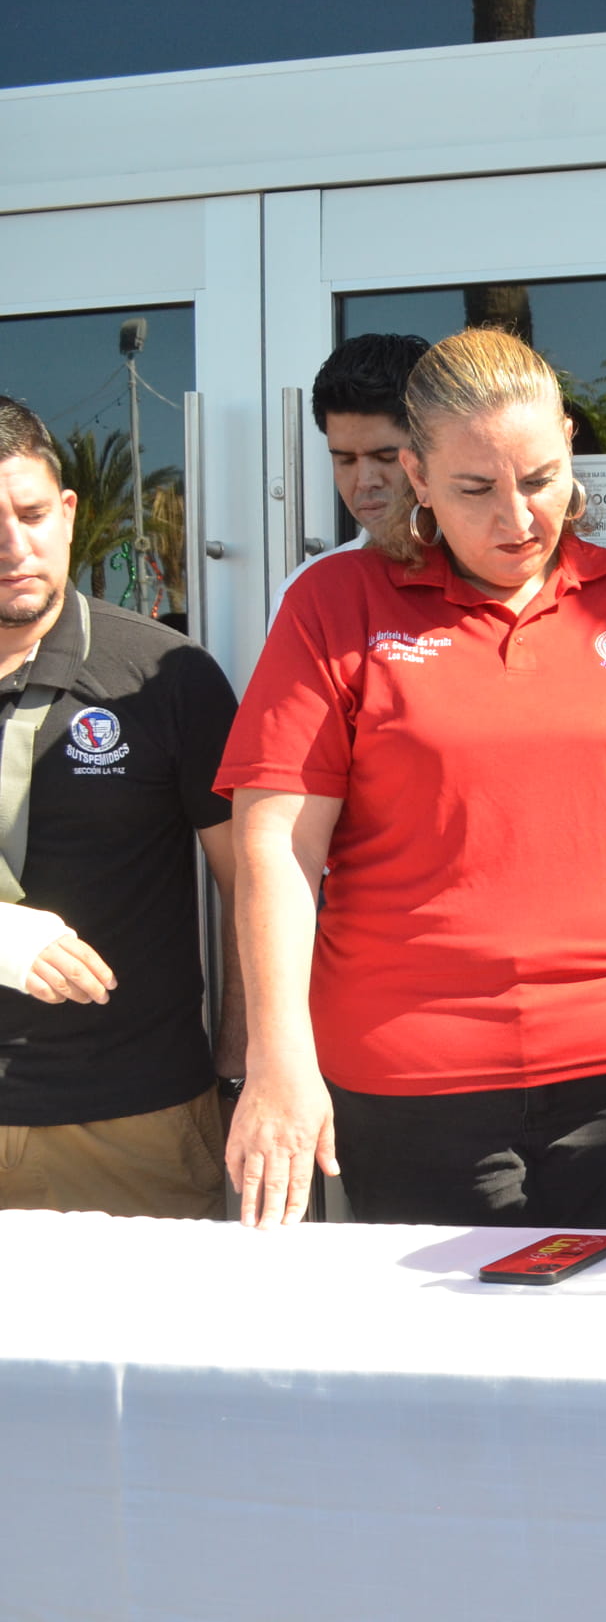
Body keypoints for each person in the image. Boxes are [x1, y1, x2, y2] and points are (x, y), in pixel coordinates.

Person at [215, 328, 606, 1228]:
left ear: (571, 445)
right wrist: (280, 1058)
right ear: (418, 478)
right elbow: (277, 839)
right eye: (476, 489)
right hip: (412, 1078)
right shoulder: (337, 606)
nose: (518, 519)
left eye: (541, 479)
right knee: (454, 1356)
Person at [0, 396, 244, 1218]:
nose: (13, 546)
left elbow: (250, 885)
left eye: (32, 514)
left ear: (68, 512)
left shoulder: (164, 674)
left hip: (128, 1118)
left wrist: (242, 1070)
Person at [280, 333, 429, 599]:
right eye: (345, 460)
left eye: (386, 457)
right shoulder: (312, 592)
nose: (365, 480)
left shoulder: (496, 571)